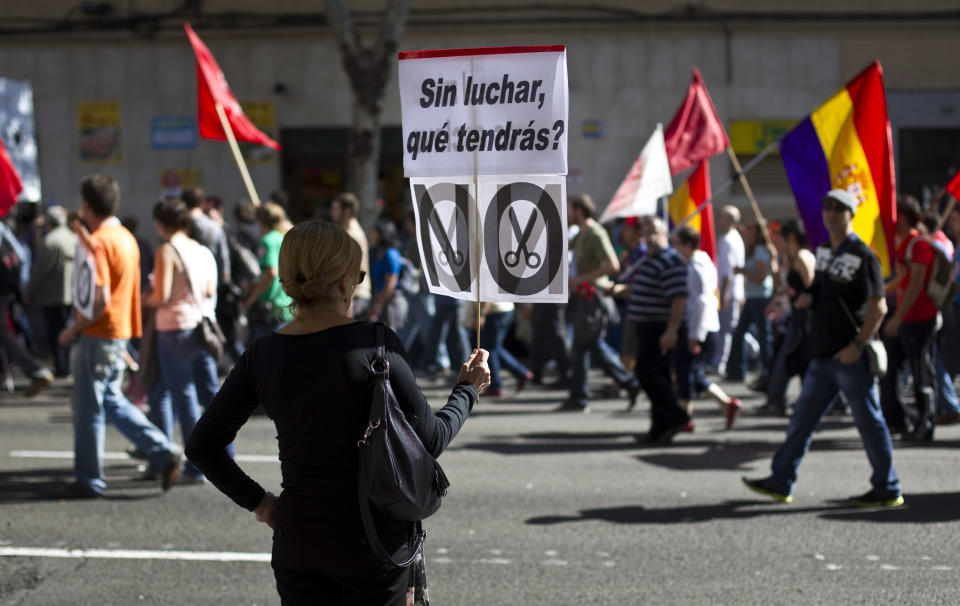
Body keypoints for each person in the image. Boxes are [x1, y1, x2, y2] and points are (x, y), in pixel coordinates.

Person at [185, 220, 491, 604]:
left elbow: (203, 446)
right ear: (345, 282)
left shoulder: (262, 354)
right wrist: (467, 390)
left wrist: (262, 504)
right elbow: (430, 440)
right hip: (373, 544)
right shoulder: (376, 344)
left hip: (299, 541)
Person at [743, 189, 902, 507]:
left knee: (869, 422)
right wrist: (809, 297)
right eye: (826, 207)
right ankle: (781, 480)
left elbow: (878, 307)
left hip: (849, 356)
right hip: (822, 354)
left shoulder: (864, 255)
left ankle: (887, 487)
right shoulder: (825, 249)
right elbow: (821, 289)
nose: (830, 213)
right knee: (801, 419)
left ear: (850, 215)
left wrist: (858, 345)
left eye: (838, 209)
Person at [58, 174, 183, 498]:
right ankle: (163, 450)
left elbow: (98, 298)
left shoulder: (99, 241)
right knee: (111, 400)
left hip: (99, 333)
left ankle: (89, 479)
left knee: (89, 408)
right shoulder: (124, 236)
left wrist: (73, 329)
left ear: (87, 205)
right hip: (119, 331)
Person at [144, 198, 219, 484]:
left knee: (184, 397)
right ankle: (224, 455)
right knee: (210, 396)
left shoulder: (167, 249)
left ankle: (196, 466)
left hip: (174, 327)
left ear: (161, 223)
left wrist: (144, 298)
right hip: (201, 327)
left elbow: (161, 296)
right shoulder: (202, 250)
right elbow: (211, 289)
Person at [563, 194, 639, 413]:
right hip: (583, 297)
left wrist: (582, 279)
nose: (566, 213)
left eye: (568, 208)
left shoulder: (596, 232)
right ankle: (579, 397)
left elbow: (613, 266)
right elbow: (564, 248)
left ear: (578, 210)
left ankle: (628, 384)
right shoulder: (582, 234)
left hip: (594, 298)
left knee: (588, 345)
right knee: (583, 347)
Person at [619, 217, 691, 442]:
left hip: (658, 328)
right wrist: (621, 291)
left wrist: (671, 329)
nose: (648, 238)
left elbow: (679, 298)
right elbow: (646, 289)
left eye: (653, 233)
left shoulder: (669, 260)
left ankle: (676, 416)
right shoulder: (650, 259)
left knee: (647, 374)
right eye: (645, 233)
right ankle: (659, 429)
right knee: (658, 376)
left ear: (664, 235)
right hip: (645, 326)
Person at [880, 196, 939, 441]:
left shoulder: (918, 245)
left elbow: (915, 284)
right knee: (891, 368)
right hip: (907, 318)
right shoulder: (905, 244)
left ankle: (925, 423)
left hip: (920, 318)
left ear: (902, 217)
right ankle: (898, 420)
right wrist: (878, 291)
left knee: (920, 370)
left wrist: (898, 318)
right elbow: (902, 281)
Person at [672, 225, 742, 429]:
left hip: (698, 327)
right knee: (692, 372)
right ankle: (725, 404)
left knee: (686, 371)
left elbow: (700, 302)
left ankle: (685, 417)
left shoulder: (696, 266)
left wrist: (695, 334)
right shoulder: (697, 262)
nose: (674, 248)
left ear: (686, 244)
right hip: (701, 326)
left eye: (676, 243)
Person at [760, 219, 816, 416]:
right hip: (793, 318)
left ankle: (779, 400)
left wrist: (806, 303)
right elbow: (781, 286)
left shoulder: (802, 257)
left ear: (790, 238)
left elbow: (811, 288)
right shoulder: (790, 259)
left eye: (780, 239)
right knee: (794, 360)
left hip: (803, 320)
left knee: (793, 360)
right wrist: (774, 260)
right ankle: (782, 400)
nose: (777, 243)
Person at [0, 217, 53, 396]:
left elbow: (21, 256)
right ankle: (16, 373)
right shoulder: (4, 229)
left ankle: (33, 370)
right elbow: (21, 256)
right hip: (6, 287)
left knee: (4, 331)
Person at [25, 205, 77, 378]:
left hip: (53, 296)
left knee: (56, 333)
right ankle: (66, 366)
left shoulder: (51, 241)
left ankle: (62, 367)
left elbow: (40, 271)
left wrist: (29, 290)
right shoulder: (73, 238)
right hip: (71, 294)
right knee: (67, 330)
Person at [726, 219, 774, 389]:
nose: (747, 231)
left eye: (751, 228)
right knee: (739, 333)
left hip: (761, 298)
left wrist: (743, 272)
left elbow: (761, 277)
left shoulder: (760, 250)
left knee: (763, 337)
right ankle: (737, 370)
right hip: (752, 297)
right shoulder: (752, 249)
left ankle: (768, 373)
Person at [245, 202, 293, 341]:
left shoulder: (268, 240)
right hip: (287, 305)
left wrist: (252, 297)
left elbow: (271, 272)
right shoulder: (285, 237)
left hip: (272, 308)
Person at [710, 205, 746, 375]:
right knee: (730, 329)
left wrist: (723, 293)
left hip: (728, 293)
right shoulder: (728, 239)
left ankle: (720, 362)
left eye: (722, 217)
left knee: (726, 330)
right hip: (730, 292)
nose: (719, 221)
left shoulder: (730, 240)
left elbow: (728, 271)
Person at [477, 301, 534, 397]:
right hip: (504, 309)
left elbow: (485, 295)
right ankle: (521, 373)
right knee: (494, 348)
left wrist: (481, 314)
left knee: (490, 350)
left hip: (495, 311)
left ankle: (495, 386)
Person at [329, 193, 372, 318]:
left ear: (347, 211)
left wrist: (348, 300)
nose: (332, 213)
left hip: (355, 296)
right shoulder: (350, 232)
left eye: (335, 209)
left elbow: (350, 270)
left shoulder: (351, 235)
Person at [367, 219, 408, 331]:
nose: (371, 235)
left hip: (391, 303)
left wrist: (377, 305)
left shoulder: (391, 254)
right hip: (382, 301)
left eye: (374, 232)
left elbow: (390, 285)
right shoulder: (377, 252)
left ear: (381, 235)